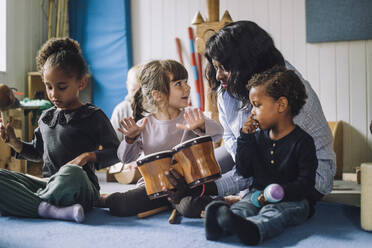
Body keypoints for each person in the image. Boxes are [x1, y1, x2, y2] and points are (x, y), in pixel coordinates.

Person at [0, 37, 120, 223]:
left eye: (61, 87)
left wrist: (88, 156)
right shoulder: (46, 117)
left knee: (72, 172)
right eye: (48, 87)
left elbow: (116, 153)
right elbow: (37, 152)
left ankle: (28, 204)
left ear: (81, 83)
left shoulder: (93, 116)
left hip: (80, 185)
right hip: (49, 184)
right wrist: (15, 143)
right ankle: (47, 207)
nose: (53, 94)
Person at [205, 66, 318, 245]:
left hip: (293, 199)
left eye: (257, 105)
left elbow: (306, 183)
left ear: (281, 105)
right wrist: (245, 138)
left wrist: (276, 194)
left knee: (276, 213)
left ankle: (255, 230)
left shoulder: (303, 142)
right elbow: (244, 170)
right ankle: (222, 224)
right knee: (244, 205)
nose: (252, 112)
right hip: (257, 194)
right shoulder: (256, 137)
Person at [100, 59, 224, 216]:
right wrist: (130, 139)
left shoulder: (191, 116)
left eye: (185, 82)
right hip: (155, 188)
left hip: (187, 186)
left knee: (189, 207)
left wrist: (201, 126)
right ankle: (98, 199)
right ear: (158, 95)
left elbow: (219, 133)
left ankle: (219, 205)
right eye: (178, 84)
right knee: (121, 205)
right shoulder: (144, 124)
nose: (187, 87)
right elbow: (124, 158)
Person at [110, 64, 141, 141]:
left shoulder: (153, 108)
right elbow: (114, 143)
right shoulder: (120, 110)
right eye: (133, 90)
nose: (138, 95)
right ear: (127, 86)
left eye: (141, 91)